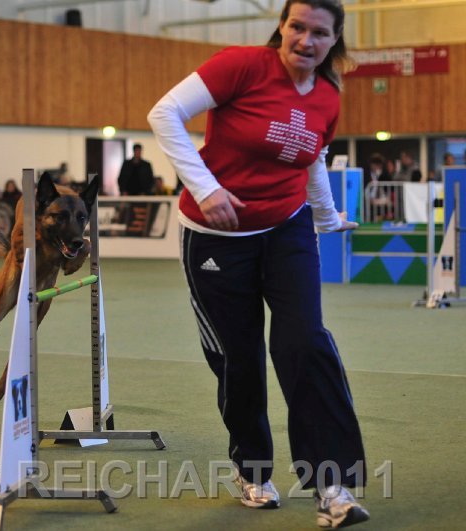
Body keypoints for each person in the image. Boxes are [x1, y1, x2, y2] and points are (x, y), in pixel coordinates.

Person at [147, 0, 369, 528]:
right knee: (239, 358)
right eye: (297, 27)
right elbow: (164, 114)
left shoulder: (327, 96)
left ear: (334, 39)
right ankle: (252, 470)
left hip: (287, 228)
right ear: (282, 27)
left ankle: (333, 486)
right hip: (216, 238)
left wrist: (327, 216)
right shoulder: (242, 66)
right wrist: (206, 189)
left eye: (320, 33)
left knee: (305, 342)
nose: (306, 40)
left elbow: (313, 157)